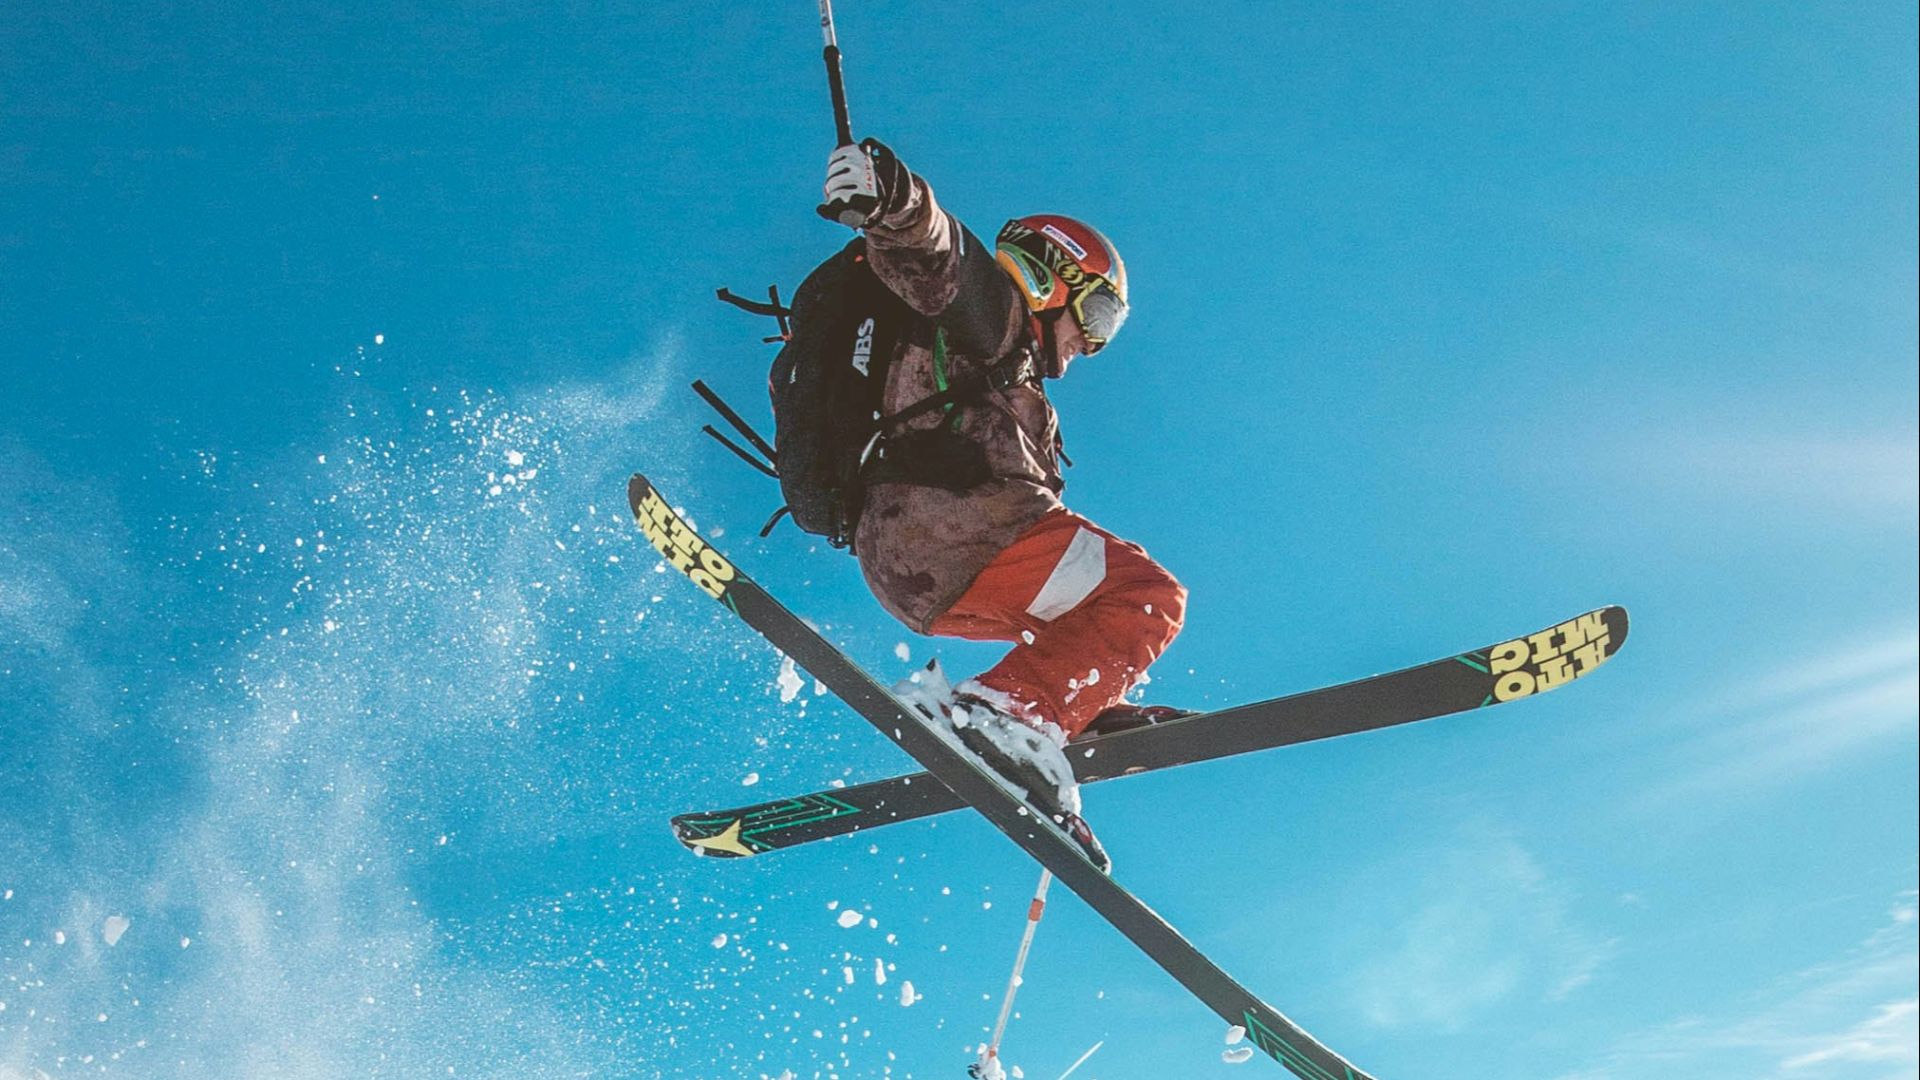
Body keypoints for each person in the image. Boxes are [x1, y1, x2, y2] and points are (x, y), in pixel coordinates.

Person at [820, 139, 1185, 871]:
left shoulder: (1020, 381)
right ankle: (1010, 712)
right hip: (960, 529)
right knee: (1148, 595)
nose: (1095, 343)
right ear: (1053, 275)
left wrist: (1093, 690)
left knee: (1090, 611)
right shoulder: (991, 314)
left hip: (921, 566)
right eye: (1101, 314)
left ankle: (1062, 704)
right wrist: (890, 195)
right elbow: (932, 251)